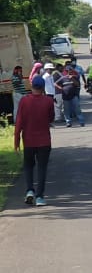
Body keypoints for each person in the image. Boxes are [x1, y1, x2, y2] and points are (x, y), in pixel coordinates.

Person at [14, 75, 55, 206]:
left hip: (29, 141)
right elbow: (51, 118)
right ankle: (40, 197)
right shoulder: (48, 101)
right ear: (43, 88)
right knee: (42, 168)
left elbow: (19, 122)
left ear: (31, 87)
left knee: (28, 166)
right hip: (44, 141)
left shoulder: (24, 101)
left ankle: (30, 190)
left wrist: (16, 141)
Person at [56, 62, 85, 127]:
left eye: (70, 70)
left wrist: (72, 78)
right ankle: (68, 122)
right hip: (65, 96)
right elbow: (55, 83)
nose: (69, 72)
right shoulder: (63, 78)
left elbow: (77, 84)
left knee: (77, 109)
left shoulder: (75, 77)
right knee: (66, 110)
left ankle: (81, 121)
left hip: (74, 96)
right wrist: (61, 88)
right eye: (67, 70)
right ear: (66, 71)